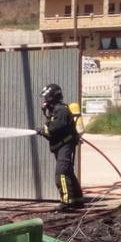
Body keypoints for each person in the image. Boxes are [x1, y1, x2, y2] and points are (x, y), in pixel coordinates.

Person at [37, 83, 83, 211]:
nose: (45, 100)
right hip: (61, 145)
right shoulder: (55, 110)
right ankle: (77, 199)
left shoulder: (61, 110)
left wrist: (42, 130)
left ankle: (67, 202)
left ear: (52, 97)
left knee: (61, 174)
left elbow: (53, 129)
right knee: (68, 172)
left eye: (46, 98)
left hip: (65, 145)